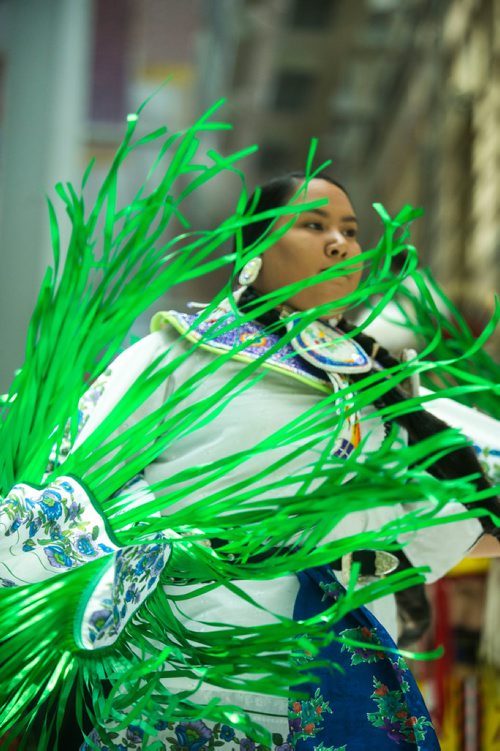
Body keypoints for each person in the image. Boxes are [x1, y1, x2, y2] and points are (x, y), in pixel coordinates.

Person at [1, 172, 499, 751]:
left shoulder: (376, 386)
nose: (339, 244)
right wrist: (154, 555)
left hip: (332, 655)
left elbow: (428, 508)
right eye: (314, 226)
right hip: (192, 650)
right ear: (255, 249)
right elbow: (71, 479)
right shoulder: (176, 356)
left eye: (351, 231)